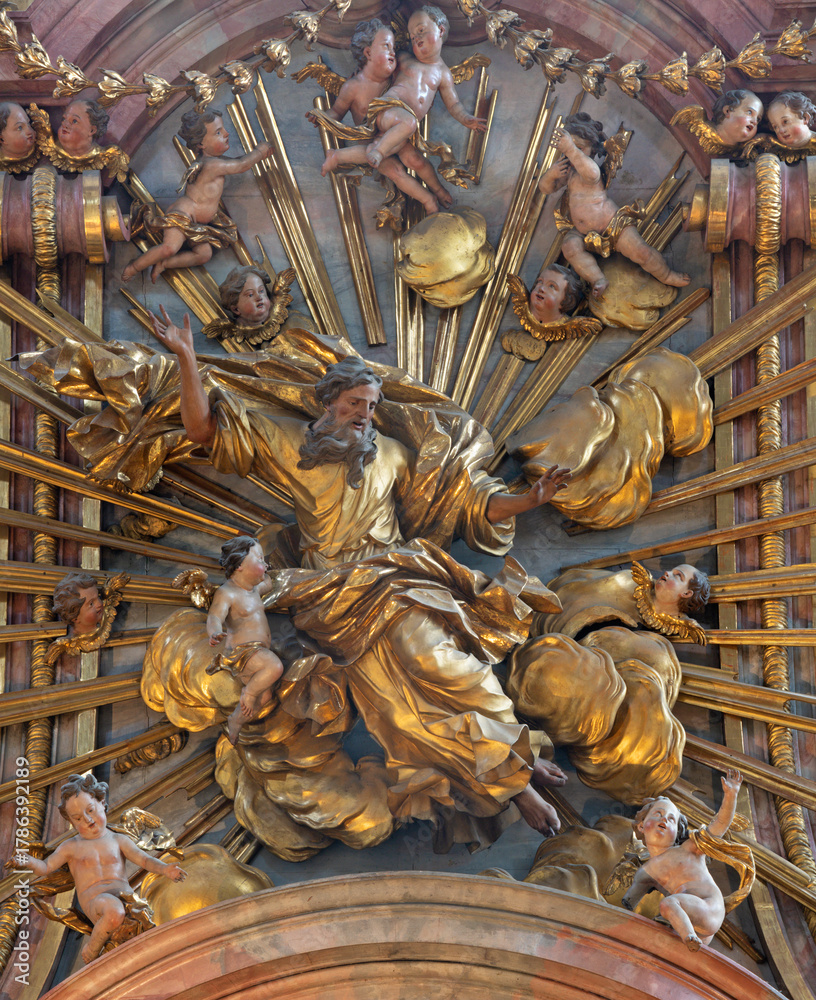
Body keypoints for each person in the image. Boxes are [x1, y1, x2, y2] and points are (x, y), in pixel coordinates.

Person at [148, 304, 571, 839]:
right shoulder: (287, 445)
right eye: (353, 404)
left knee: (445, 668)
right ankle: (515, 784)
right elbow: (203, 427)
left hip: (396, 577)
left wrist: (528, 501)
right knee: (397, 715)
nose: (364, 414)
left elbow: (463, 505)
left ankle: (519, 766)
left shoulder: (393, 454)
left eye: (371, 406)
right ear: (326, 402)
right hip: (332, 599)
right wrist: (187, 358)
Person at [507, 562, 710, 804]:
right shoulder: (627, 584)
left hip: (585, 693)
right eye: (670, 570)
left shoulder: (660, 652)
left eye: (678, 576)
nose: (666, 573)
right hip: (553, 653)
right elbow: (579, 590)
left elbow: (651, 698)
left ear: (686, 594)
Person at [14, 774, 186, 963]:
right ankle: (92, 949)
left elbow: (144, 860)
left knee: (149, 931)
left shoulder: (118, 839)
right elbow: (46, 867)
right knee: (114, 911)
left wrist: (166, 870)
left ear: (102, 803)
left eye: (91, 810)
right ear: (72, 822)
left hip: (128, 901)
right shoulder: (71, 847)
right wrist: (28, 862)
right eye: (78, 818)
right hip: (97, 903)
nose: (88, 819)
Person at [309, 17, 453, 214]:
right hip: (373, 139)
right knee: (395, 171)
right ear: (368, 52)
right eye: (387, 46)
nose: (393, 52)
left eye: (394, 47)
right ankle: (428, 201)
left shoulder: (395, 78)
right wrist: (322, 117)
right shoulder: (353, 86)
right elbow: (337, 112)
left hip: (394, 136)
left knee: (417, 161)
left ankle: (438, 189)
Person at [538, 113, 689, 298]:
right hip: (582, 232)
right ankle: (598, 279)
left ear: (592, 150)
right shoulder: (569, 171)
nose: (572, 152)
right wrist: (551, 174)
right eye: (569, 147)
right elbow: (546, 189)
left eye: (579, 147)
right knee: (569, 248)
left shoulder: (589, 168)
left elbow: (592, 173)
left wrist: (570, 149)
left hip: (613, 225)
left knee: (641, 252)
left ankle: (667, 275)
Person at [122, 110, 272, 282]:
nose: (226, 133)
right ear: (201, 144)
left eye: (223, 129)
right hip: (183, 215)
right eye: (218, 132)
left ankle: (164, 264)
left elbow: (237, 161)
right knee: (169, 248)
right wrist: (260, 152)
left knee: (203, 255)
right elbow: (240, 165)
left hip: (196, 222)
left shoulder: (214, 161)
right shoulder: (212, 165)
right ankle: (134, 266)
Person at [621, 769, 751, 951]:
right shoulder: (645, 872)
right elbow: (626, 905)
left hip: (709, 907)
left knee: (668, 904)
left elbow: (719, 826)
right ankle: (685, 936)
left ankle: (689, 936)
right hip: (687, 916)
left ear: (677, 832)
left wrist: (731, 795)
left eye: (671, 819)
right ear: (642, 826)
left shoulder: (689, 848)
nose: (664, 819)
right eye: (658, 814)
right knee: (664, 923)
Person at [358, 6, 486, 169]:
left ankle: (338, 157)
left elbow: (453, 104)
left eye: (421, 30)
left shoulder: (443, 73)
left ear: (440, 30)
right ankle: (378, 152)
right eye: (412, 37)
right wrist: (363, 72)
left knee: (411, 160)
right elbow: (380, 66)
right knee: (404, 127)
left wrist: (465, 118)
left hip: (402, 128)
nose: (416, 38)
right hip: (389, 110)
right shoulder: (404, 58)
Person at [206, 535, 284, 744]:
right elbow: (215, 616)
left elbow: (268, 582)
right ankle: (247, 694)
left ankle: (235, 721)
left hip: (259, 652)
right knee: (275, 667)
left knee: (265, 697)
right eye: (259, 559)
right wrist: (214, 632)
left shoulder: (253, 590)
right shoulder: (227, 593)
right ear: (240, 565)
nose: (264, 563)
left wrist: (268, 568)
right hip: (243, 653)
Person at [52, 571, 104, 636]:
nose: (99, 604)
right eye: (91, 604)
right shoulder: (69, 645)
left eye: (98, 597)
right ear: (75, 618)